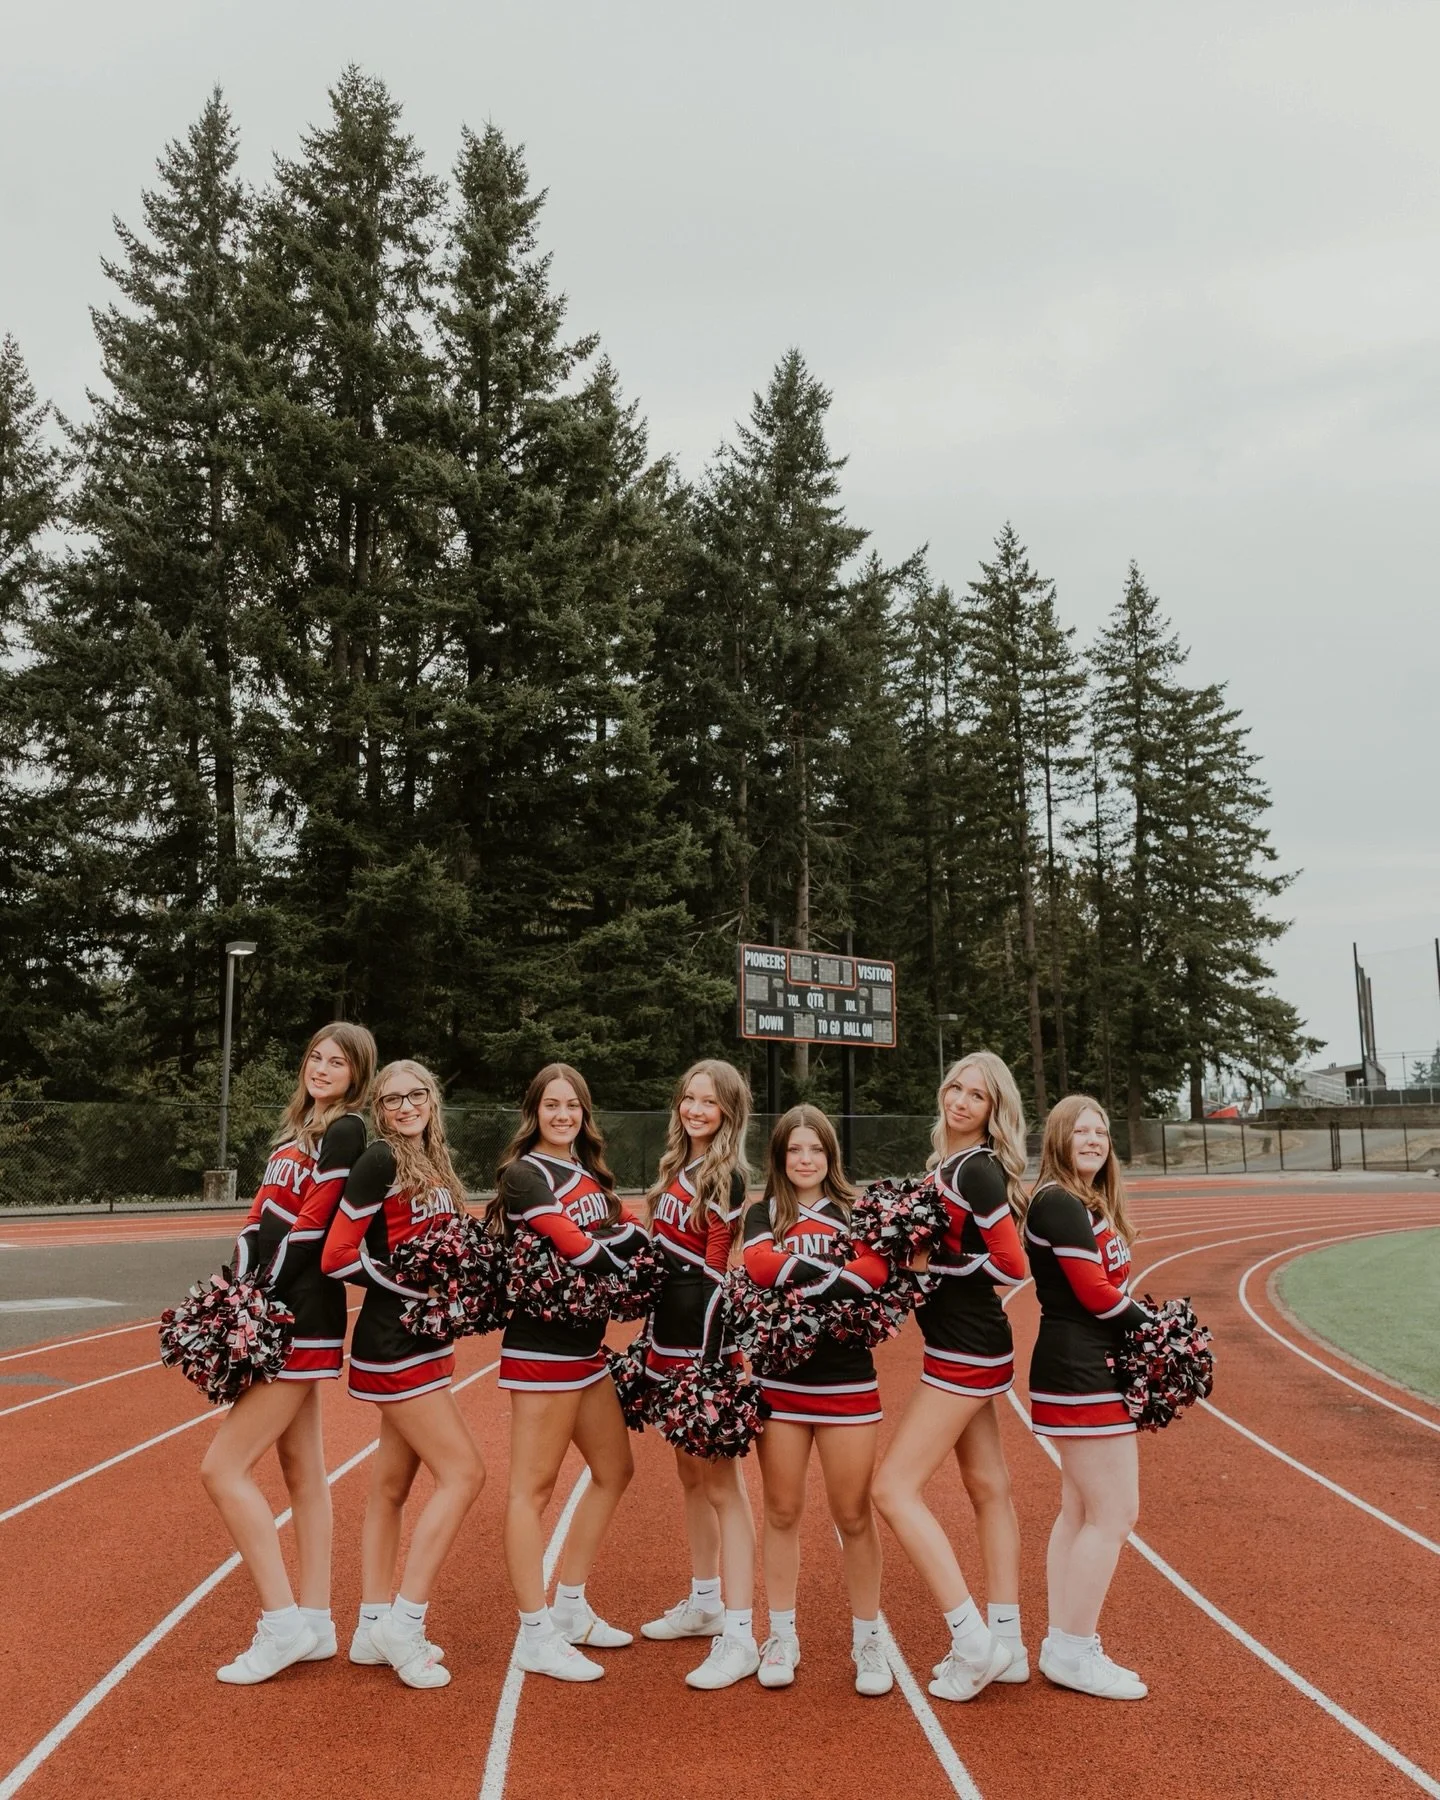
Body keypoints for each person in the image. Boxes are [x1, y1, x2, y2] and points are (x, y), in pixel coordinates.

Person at [201, 1021, 376, 1684]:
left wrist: (259, 1279)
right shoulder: (294, 1131)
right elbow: (266, 1211)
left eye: (338, 1061)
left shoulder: (347, 1131)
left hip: (298, 1315)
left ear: (357, 1074)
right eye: (316, 1057)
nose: (323, 1068)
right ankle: (317, 1621)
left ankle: (280, 1624)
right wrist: (240, 1266)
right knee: (302, 1469)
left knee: (221, 1469)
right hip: (276, 1304)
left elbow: (315, 1222)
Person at [321, 1060, 486, 1689]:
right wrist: (412, 1289)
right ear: (379, 1109)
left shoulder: (436, 1163)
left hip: (428, 1342)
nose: (405, 1106)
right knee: (466, 1472)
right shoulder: (381, 1161)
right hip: (395, 1343)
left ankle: (369, 1627)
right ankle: (404, 1622)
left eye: (415, 1095)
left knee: (391, 1487)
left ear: (431, 1099)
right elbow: (338, 1255)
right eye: (391, 1100)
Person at [872, 1052, 1029, 1702]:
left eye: (977, 1095)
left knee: (892, 1489)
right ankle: (1010, 1642)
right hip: (968, 1347)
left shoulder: (980, 1172)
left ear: (994, 1112)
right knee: (988, 1485)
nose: (961, 1100)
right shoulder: (947, 1168)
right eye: (956, 1088)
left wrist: (932, 1264)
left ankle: (972, 1639)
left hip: (965, 1351)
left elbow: (1012, 1265)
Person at [488, 1063, 646, 1682]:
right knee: (532, 1489)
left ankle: (570, 1606)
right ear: (534, 1111)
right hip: (542, 1352)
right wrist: (625, 1247)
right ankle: (533, 1632)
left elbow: (621, 1233)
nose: (562, 1115)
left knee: (614, 1469)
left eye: (572, 1105)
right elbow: (577, 1246)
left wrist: (626, 1242)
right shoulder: (524, 1174)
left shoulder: (589, 1175)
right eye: (551, 1105)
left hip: (586, 1351)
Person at [742, 1105, 893, 1699]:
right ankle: (781, 1633)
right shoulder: (764, 1213)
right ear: (779, 1158)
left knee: (854, 1515)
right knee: (781, 1512)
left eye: (817, 1150)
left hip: (848, 1384)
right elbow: (757, 1264)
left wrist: (796, 1275)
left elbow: (875, 1272)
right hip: (781, 1385)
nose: (806, 1160)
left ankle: (867, 1638)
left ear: (831, 1155)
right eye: (794, 1151)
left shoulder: (858, 1212)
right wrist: (834, 1272)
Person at [1022, 1094, 1150, 1701]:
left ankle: (1064, 1642)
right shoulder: (1058, 1202)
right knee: (1115, 1512)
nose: (1095, 1140)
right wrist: (1159, 1330)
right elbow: (1097, 1296)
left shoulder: (1088, 1202)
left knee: (1079, 1511)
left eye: (1101, 1131)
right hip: (1081, 1370)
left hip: (1086, 1367)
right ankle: (1073, 1649)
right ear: (1059, 1139)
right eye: (1082, 1132)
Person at [638, 1060, 758, 1690]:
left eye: (707, 1102)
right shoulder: (674, 1169)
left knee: (722, 1486)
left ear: (729, 1111)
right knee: (690, 1476)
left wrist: (709, 1362)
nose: (694, 1109)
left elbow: (714, 1271)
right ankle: (706, 1599)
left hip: (703, 1342)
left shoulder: (728, 1174)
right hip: (665, 1337)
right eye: (687, 1098)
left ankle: (740, 1633)